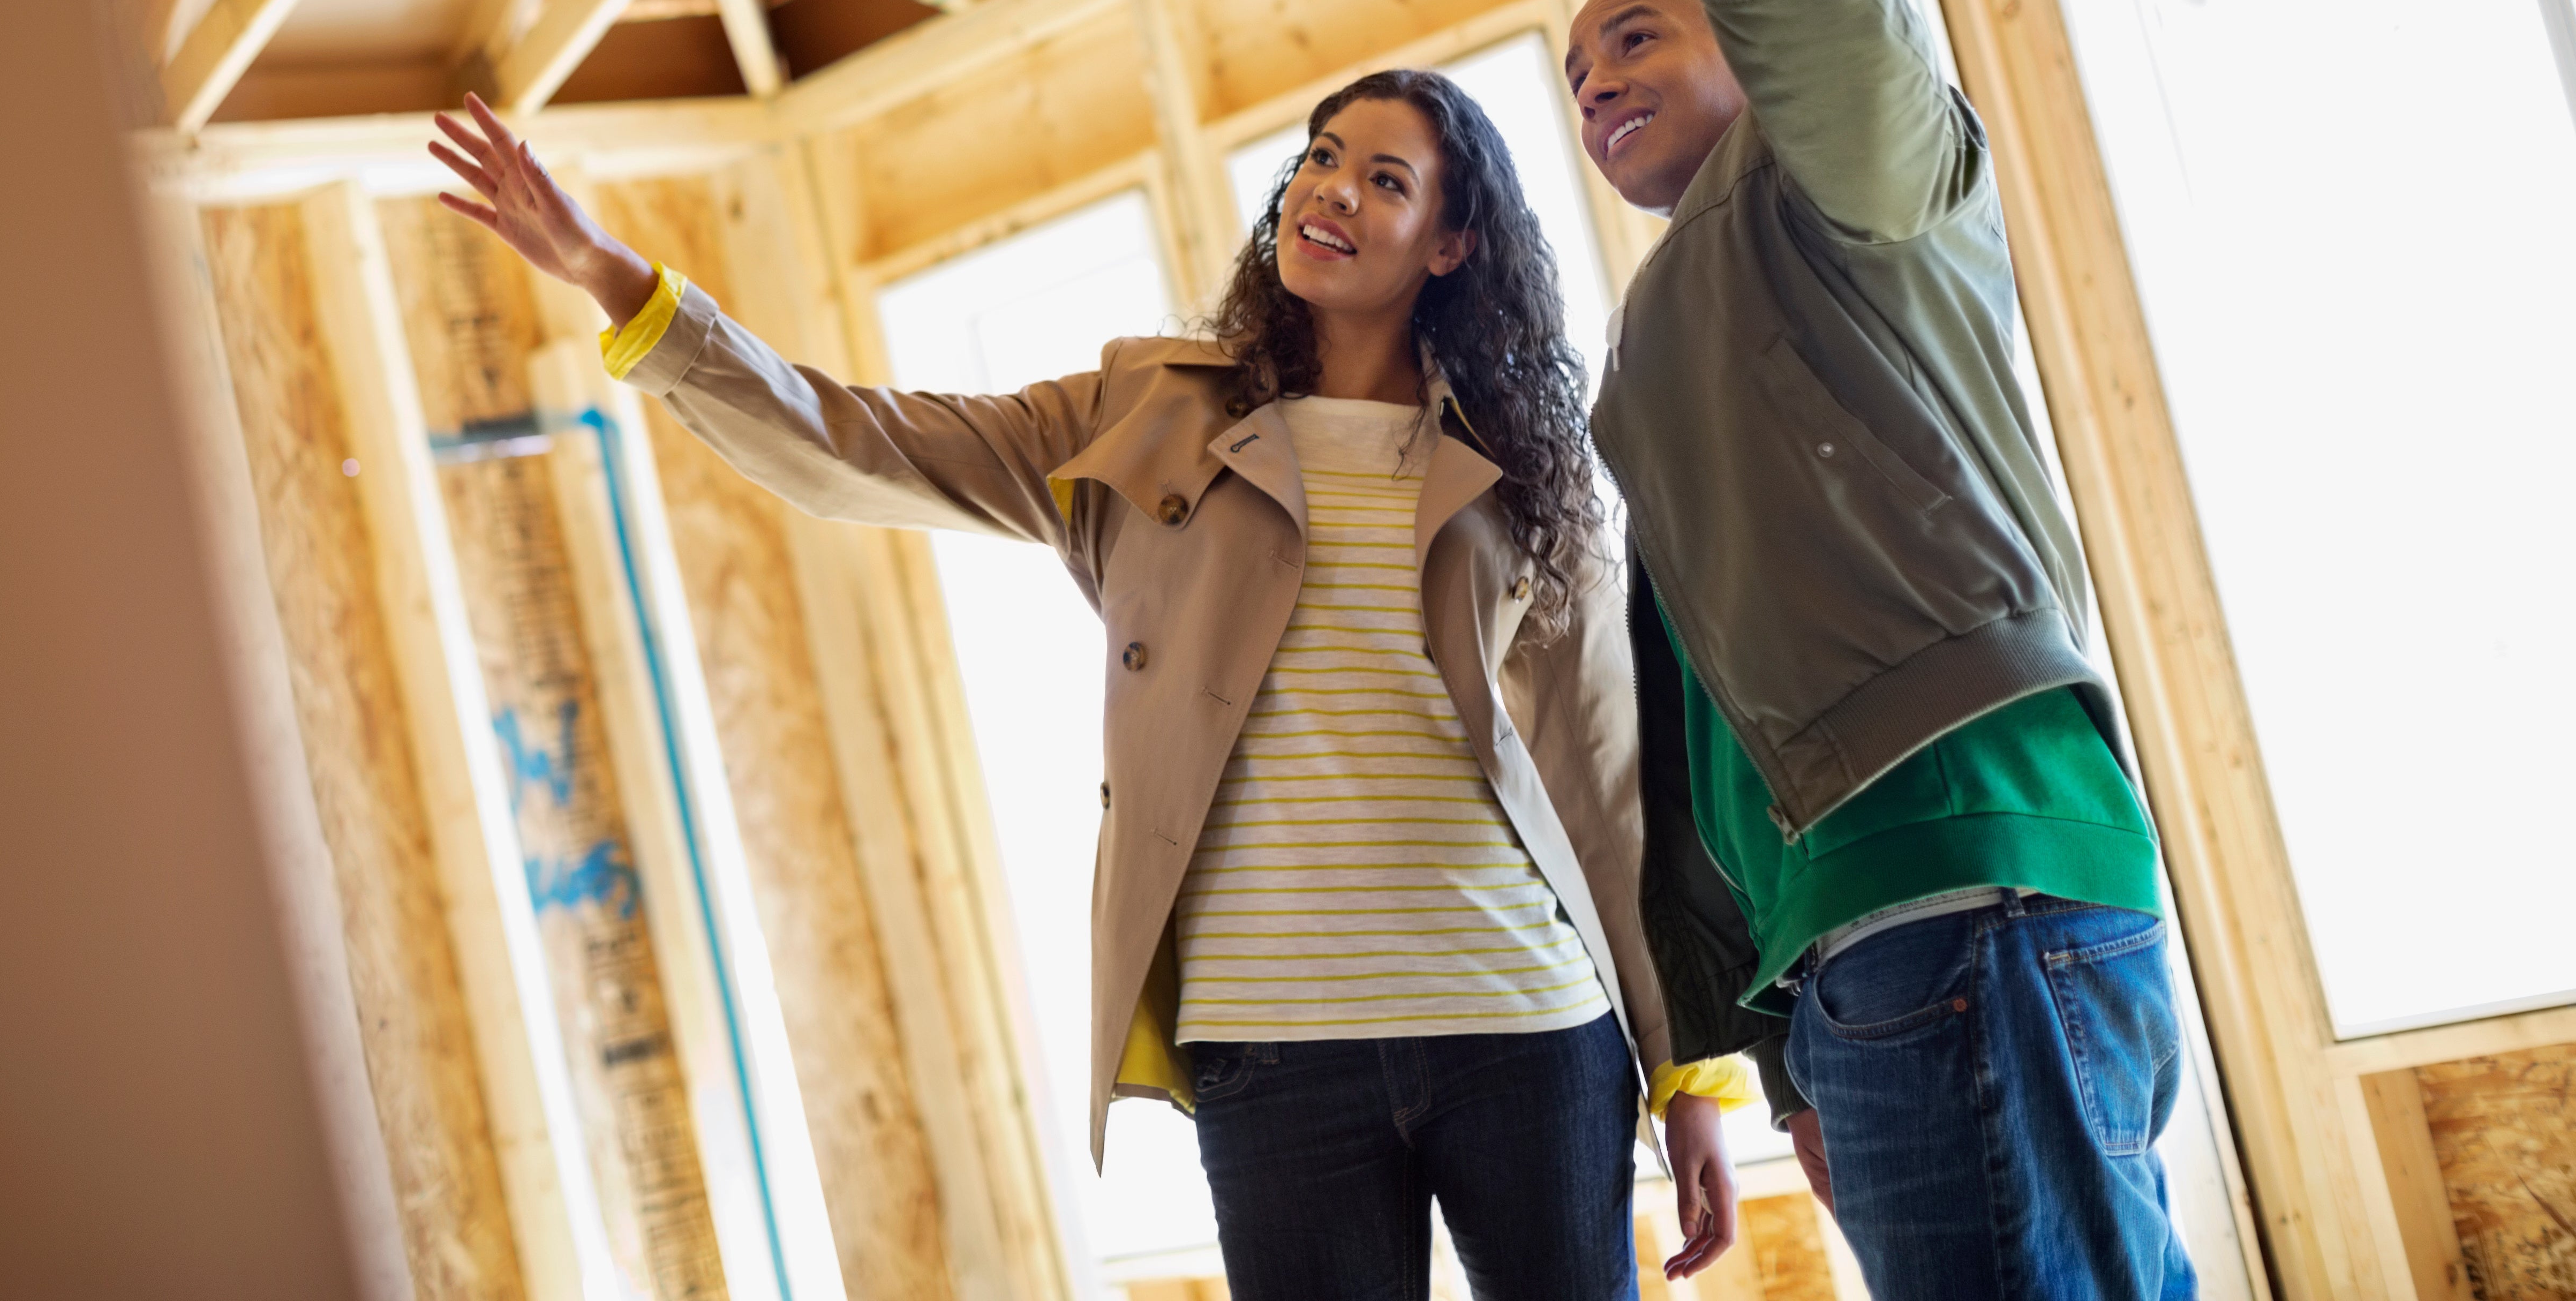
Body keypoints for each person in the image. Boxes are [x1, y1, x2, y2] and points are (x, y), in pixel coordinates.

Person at [430, 70, 1754, 1299]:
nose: (1331, 190)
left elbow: (1603, 781)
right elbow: (855, 445)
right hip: (1269, 1052)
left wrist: (1683, 1068)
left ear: (1451, 247)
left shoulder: (1524, 473)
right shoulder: (1148, 414)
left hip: (1522, 1028)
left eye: (1386, 181)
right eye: (1320, 159)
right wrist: (617, 284)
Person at [1402, 0, 2196, 1299]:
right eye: (1576, 71)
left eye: (1642, 32)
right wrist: (1767, 1030)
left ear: (1748, 54)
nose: (1595, 80)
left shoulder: (1858, 178)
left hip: (1969, 878)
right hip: (1859, 941)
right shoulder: (1673, 337)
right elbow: (1689, 696)